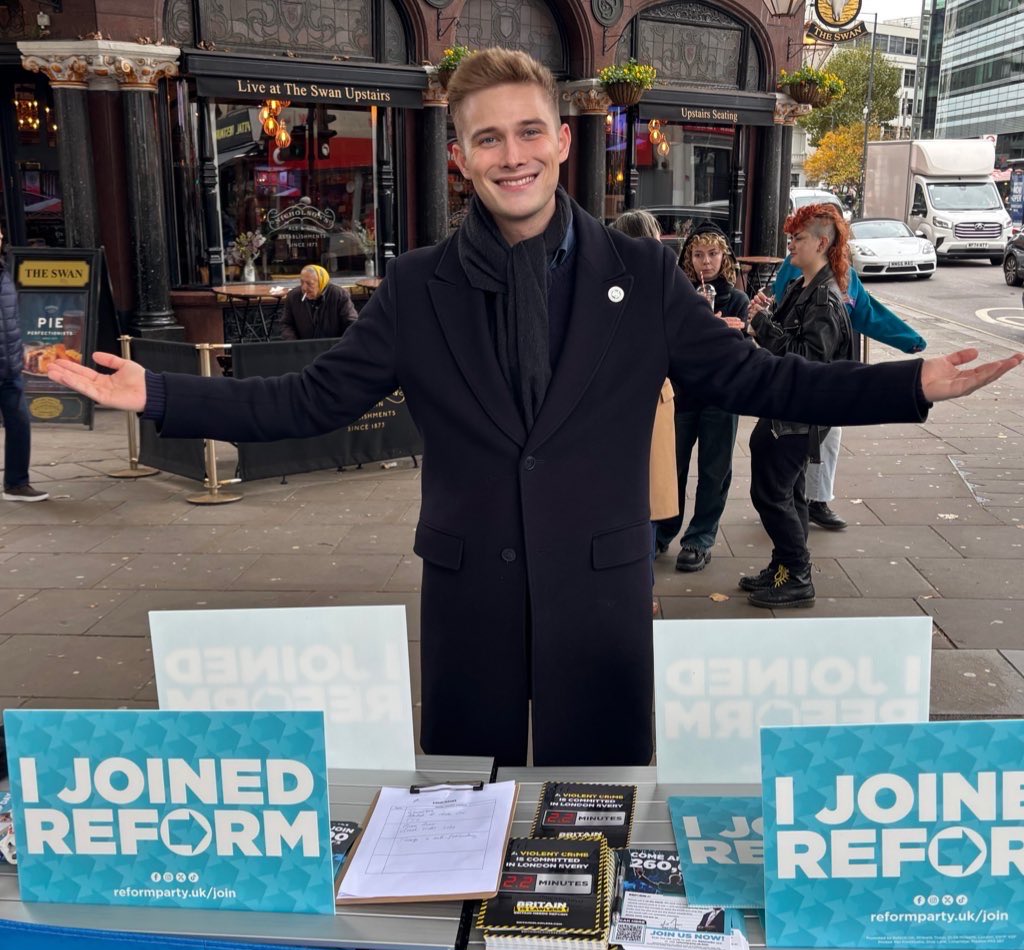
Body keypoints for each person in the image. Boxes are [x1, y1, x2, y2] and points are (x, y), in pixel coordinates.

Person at [47, 49, 1023, 767]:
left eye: (527, 131)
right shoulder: (415, 287)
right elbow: (313, 398)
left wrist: (911, 383)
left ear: (560, 141)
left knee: (594, 810)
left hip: (600, 593)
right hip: (468, 594)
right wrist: (160, 392)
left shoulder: (641, 276)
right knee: (465, 809)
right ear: (461, 159)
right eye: (485, 137)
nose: (509, 154)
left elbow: (764, 381)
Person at [743, 204, 856, 609]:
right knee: (788, 494)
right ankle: (783, 568)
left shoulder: (824, 299)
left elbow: (806, 362)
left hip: (797, 416)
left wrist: (761, 326)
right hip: (784, 409)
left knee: (772, 494)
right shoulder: (802, 288)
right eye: (791, 235)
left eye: (799, 237)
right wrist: (766, 314)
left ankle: (797, 573)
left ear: (822, 243)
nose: (791, 243)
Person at [772, 257, 927, 531]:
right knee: (790, 439)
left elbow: (869, 313)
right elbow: (778, 313)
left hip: (833, 371)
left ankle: (815, 500)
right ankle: (784, 501)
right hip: (797, 371)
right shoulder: (794, 268)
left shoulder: (847, 275)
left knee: (829, 435)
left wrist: (907, 338)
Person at [655, 222, 749, 573]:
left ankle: (700, 537)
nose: (705, 262)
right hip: (683, 395)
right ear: (688, 257)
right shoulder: (681, 295)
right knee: (671, 467)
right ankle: (664, 529)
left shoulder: (735, 299)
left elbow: (741, 355)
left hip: (721, 398)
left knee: (714, 470)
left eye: (712, 254)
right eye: (698, 254)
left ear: (724, 257)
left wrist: (724, 332)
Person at [610, 209, 678, 615]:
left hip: (638, 409)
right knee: (641, 510)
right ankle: (641, 591)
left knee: (635, 509)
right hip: (644, 410)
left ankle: (638, 590)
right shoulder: (655, 287)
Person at [0, 225, 49, 503]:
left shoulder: (4, 271)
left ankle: (17, 483)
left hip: (9, 364)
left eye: (0, 235)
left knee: (19, 422)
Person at [278, 264, 358, 340]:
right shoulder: (293, 296)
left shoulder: (339, 295)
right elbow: (286, 324)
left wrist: (342, 344)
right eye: (302, 282)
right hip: (302, 348)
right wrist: (294, 345)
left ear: (321, 283)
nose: (304, 288)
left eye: (310, 284)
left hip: (333, 347)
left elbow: (351, 323)